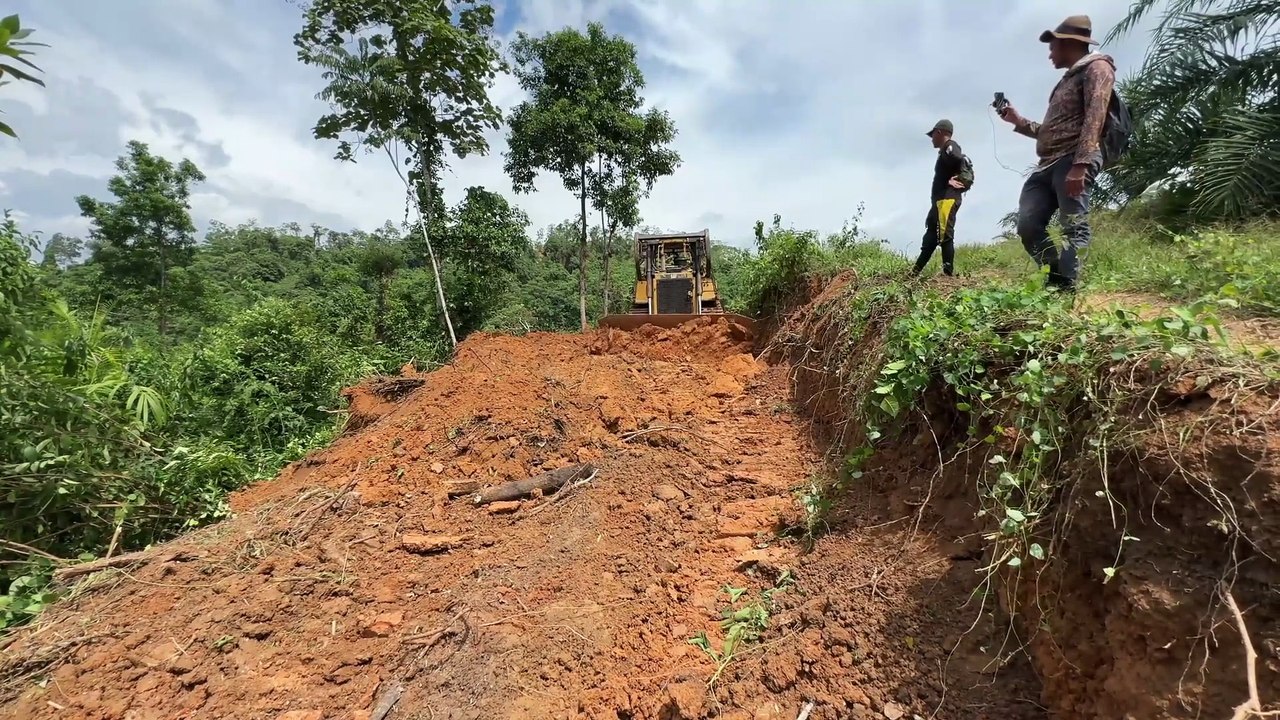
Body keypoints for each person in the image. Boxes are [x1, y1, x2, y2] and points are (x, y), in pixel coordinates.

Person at [998, 14, 1116, 293]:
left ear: (1069, 43)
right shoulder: (1067, 81)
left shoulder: (1098, 68)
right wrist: (1018, 121)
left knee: (1073, 226)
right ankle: (1055, 279)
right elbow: (1052, 131)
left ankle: (1067, 288)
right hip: (1046, 164)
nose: (1050, 53)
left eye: (1052, 46)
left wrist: (1081, 164)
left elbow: (1096, 117)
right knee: (1028, 225)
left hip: (1072, 159)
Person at [911, 119, 973, 277]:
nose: (931, 139)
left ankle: (948, 274)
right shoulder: (944, 151)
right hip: (939, 201)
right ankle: (914, 273)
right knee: (931, 235)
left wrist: (953, 179)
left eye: (932, 135)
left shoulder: (950, 146)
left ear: (939, 132)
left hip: (947, 199)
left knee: (945, 234)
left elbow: (958, 157)